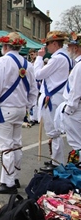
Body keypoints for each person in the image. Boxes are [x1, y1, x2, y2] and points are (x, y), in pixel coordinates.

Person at [0, 32, 38, 194]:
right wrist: (27, 106)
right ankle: (13, 177)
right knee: (16, 143)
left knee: (6, 147)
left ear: (5, 46)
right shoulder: (28, 64)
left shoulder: (2, 61)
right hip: (20, 110)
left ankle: (8, 183)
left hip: (5, 109)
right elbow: (33, 90)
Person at [35, 31, 73, 171]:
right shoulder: (67, 57)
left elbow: (38, 75)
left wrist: (39, 59)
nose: (46, 47)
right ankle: (56, 160)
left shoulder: (57, 58)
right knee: (55, 131)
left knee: (54, 132)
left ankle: (57, 163)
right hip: (57, 95)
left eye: (48, 44)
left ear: (55, 44)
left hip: (53, 97)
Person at [61, 32, 81, 164]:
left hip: (76, 110)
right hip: (77, 108)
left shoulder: (79, 66)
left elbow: (76, 91)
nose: (68, 49)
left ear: (76, 48)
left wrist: (68, 110)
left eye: (70, 46)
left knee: (77, 144)